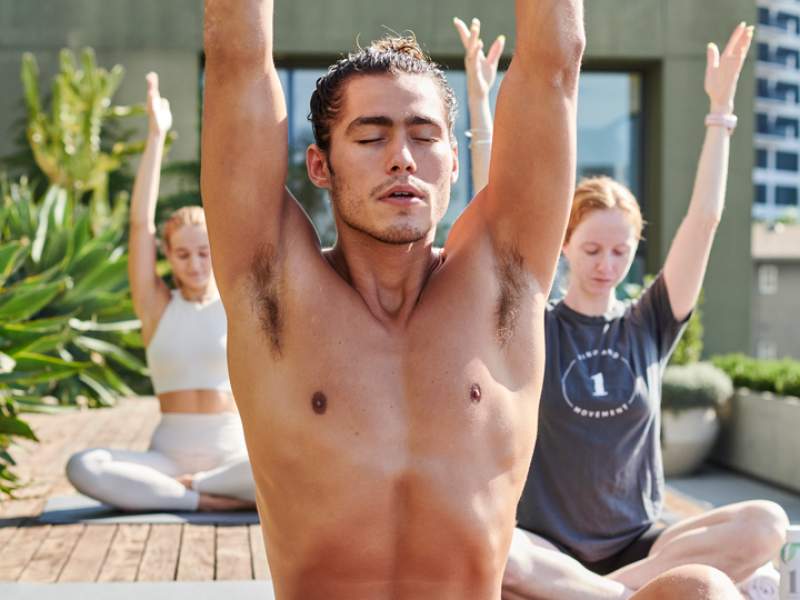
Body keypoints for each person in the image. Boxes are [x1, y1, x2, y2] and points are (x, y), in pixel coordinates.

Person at [201, 0, 588, 597]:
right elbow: (236, 57)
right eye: (372, 135)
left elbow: (554, 63)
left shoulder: (503, 280)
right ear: (320, 165)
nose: (402, 157)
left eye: (424, 136)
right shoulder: (272, 285)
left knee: (702, 589)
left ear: (454, 161)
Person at [455, 17, 789, 599]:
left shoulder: (649, 323)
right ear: (564, 247)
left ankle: (601, 594)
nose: (605, 263)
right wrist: (481, 110)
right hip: (547, 546)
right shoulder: (539, 325)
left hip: (643, 543)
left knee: (768, 524)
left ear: (635, 251)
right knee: (494, 544)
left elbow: (704, 220)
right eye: (590, 248)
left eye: (619, 250)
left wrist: (720, 112)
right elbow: (496, 223)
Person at [66, 73, 256, 513]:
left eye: (205, 252)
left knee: (296, 462)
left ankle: (198, 490)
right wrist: (156, 135)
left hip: (233, 455)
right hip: (165, 457)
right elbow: (139, 227)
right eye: (183, 254)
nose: (194, 264)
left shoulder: (236, 304)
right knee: (83, 465)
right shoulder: (157, 308)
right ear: (167, 256)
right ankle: (206, 499)